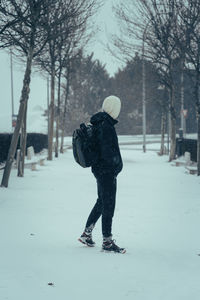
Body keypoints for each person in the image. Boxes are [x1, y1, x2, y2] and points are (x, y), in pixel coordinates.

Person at [78, 95, 125, 253]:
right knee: (108, 204)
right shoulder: (106, 125)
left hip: (100, 170)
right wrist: (114, 166)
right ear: (113, 108)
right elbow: (107, 151)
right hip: (106, 171)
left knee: (102, 202)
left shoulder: (100, 123)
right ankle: (107, 242)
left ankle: (87, 233)